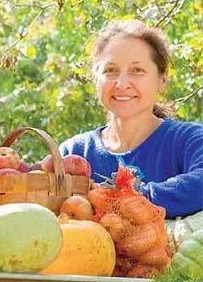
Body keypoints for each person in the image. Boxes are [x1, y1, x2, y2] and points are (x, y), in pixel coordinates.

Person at [60, 20, 203, 218]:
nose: (122, 83)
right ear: (96, 79)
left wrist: (128, 198)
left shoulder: (188, 140)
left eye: (137, 70)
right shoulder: (74, 153)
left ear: (162, 80)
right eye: (110, 70)